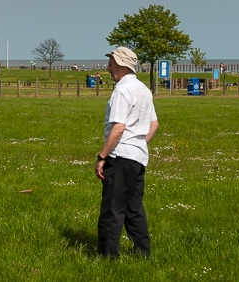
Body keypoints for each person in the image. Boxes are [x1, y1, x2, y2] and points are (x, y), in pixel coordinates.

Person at [95, 47, 159, 259]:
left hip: (120, 157)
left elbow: (119, 127)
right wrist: (138, 143)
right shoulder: (143, 89)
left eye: (111, 64)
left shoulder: (122, 91)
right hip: (138, 157)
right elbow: (154, 124)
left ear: (122, 65)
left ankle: (108, 257)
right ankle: (143, 253)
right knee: (134, 209)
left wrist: (102, 156)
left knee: (112, 209)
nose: (108, 68)